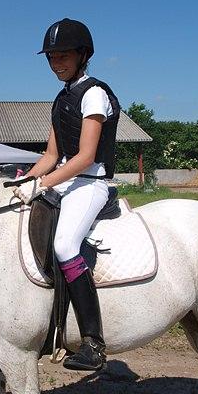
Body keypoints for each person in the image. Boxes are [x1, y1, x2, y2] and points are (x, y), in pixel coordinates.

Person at [14, 18, 120, 371]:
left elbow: (85, 157)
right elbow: (49, 156)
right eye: (51, 57)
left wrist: (42, 184)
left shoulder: (94, 93)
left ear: (82, 55)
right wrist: (22, 182)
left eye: (63, 55)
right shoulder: (62, 99)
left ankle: (93, 341)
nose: (56, 62)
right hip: (65, 179)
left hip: (90, 183)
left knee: (64, 246)